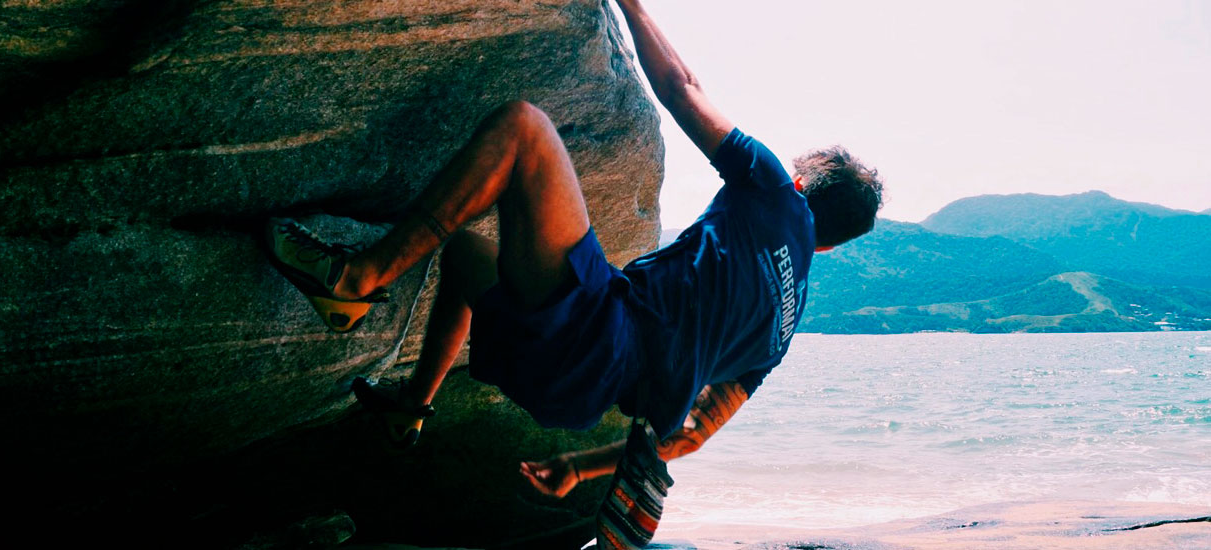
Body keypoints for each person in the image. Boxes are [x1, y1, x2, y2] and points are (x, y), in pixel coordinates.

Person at [263, 0, 882, 543]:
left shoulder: (777, 192)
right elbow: (691, 436)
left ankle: (356, 280)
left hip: (594, 333)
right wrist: (577, 469)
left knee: (525, 130)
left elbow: (681, 88)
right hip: (574, 397)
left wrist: (633, 6)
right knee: (465, 255)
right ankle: (411, 408)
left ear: (801, 182)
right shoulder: (783, 330)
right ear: (829, 247)